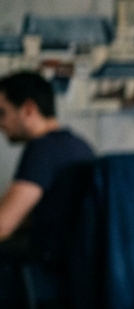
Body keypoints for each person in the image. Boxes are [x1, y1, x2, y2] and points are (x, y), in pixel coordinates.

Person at [0, 71, 94, 246]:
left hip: (51, 265)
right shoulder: (79, 145)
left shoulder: (42, 150)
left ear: (28, 109)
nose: (1, 123)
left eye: (2, 113)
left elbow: (3, 225)